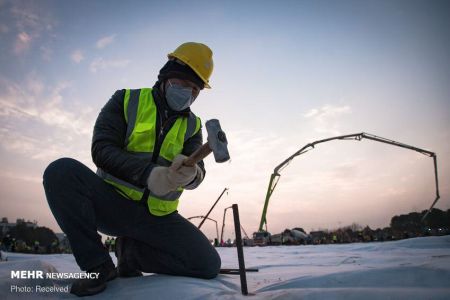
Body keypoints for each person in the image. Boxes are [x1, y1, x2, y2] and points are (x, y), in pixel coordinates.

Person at [43, 42, 221, 297]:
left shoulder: (193, 125)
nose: (188, 93)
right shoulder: (126, 100)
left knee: (207, 265)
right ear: (166, 77)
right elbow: (102, 149)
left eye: (195, 89)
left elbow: (199, 169)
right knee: (61, 172)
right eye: (183, 83)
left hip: (157, 217)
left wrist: (192, 175)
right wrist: (148, 173)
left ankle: (131, 254)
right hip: (113, 203)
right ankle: (98, 266)